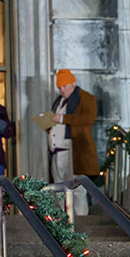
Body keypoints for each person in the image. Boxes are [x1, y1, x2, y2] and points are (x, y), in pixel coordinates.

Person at [49, 69, 98, 215]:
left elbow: (88, 119)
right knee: (58, 189)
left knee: (77, 189)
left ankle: (82, 222)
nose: (61, 89)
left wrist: (63, 119)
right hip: (57, 152)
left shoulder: (86, 98)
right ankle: (64, 222)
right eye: (59, 87)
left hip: (73, 151)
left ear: (73, 83)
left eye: (64, 86)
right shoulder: (59, 100)